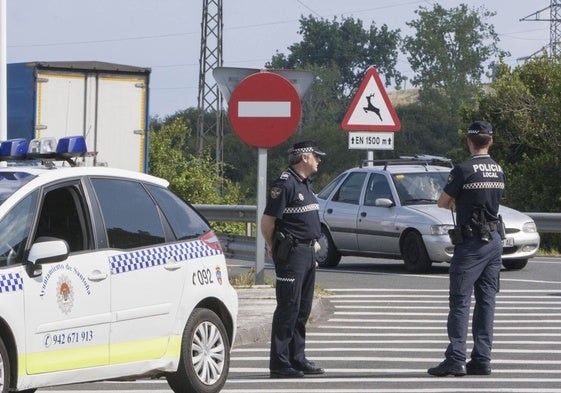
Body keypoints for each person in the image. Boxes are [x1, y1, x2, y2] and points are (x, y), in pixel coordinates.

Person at [428, 121, 505, 377]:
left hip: (471, 243)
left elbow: (443, 202)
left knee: (460, 301)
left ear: (469, 142)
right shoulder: (497, 169)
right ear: (490, 141)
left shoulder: (462, 170)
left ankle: (455, 359)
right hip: (494, 240)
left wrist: (458, 203)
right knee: (486, 302)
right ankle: (482, 359)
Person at [261, 140, 326, 379]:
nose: (319, 160)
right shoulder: (285, 184)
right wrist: (272, 245)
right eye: (316, 156)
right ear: (304, 157)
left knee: (302, 309)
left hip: (308, 253)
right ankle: (279, 363)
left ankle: (297, 358)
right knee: (288, 307)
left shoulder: (306, 184)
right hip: (292, 253)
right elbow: (267, 222)